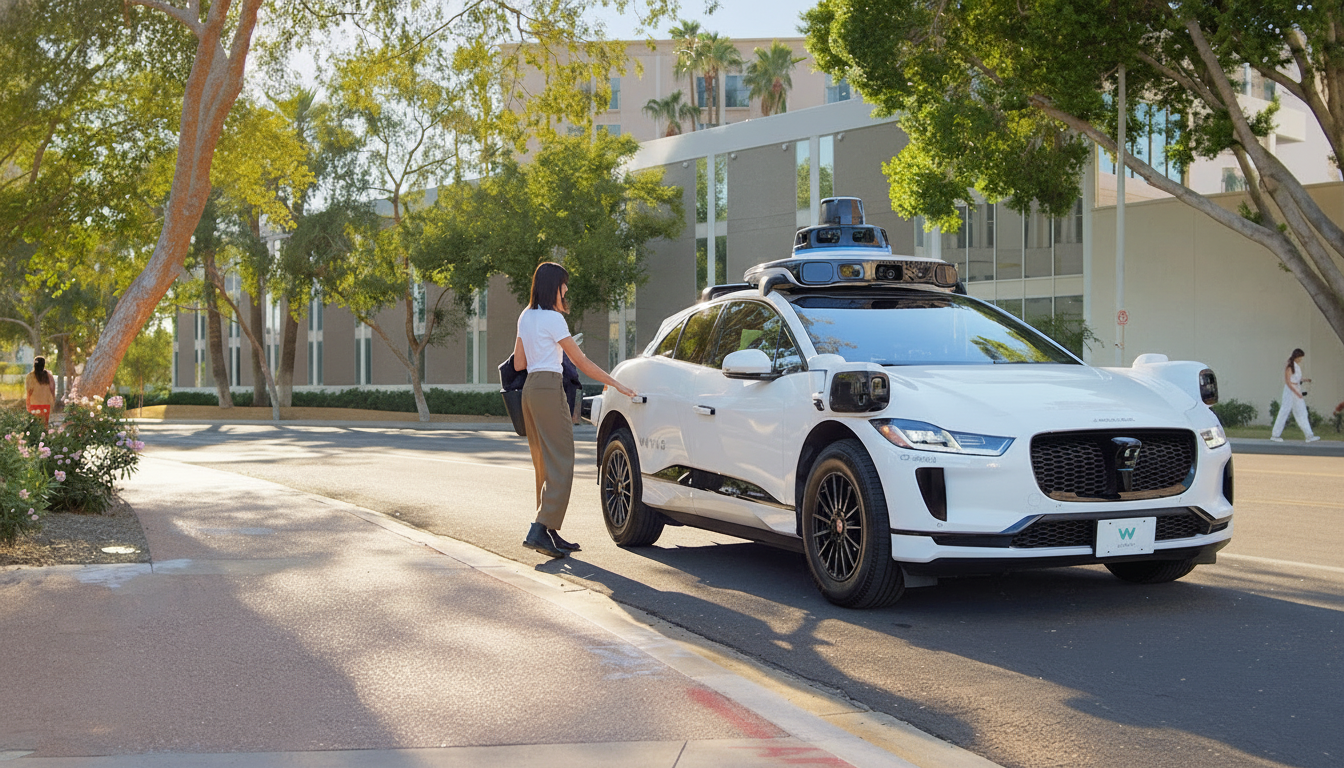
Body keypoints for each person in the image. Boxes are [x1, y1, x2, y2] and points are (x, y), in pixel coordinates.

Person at [513, 262, 636, 558]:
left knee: (544, 462)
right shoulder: (554, 320)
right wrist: (616, 383)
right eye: (564, 285)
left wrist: (541, 350)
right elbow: (581, 362)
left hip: (529, 390)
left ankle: (550, 531)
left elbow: (519, 363)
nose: (566, 290)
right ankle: (539, 529)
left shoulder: (526, 316)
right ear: (553, 286)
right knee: (563, 459)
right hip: (548, 388)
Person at [1270, 348, 1320, 443]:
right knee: (1284, 411)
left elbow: (1296, 378)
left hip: (1296, 389)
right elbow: (1288, 381)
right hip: (1290, 391)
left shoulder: (1296, 366)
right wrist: (1296, 392)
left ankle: (1309, 435)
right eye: (1300, 357)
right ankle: (1275, 435)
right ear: (1297, 357)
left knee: (1302, 412)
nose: (1301, 359)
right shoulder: (1289, 366)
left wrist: (1305, 380)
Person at [25, 356, 57, 427]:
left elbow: (29, 392)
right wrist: (53, 403)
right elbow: (53, 391)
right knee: (45, 425)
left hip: (34, 405)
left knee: (34, 426)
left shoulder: (30, 376)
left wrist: (27, 404)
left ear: (34, 365)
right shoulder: (49, 376)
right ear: (44, 365)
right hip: (46, 404)